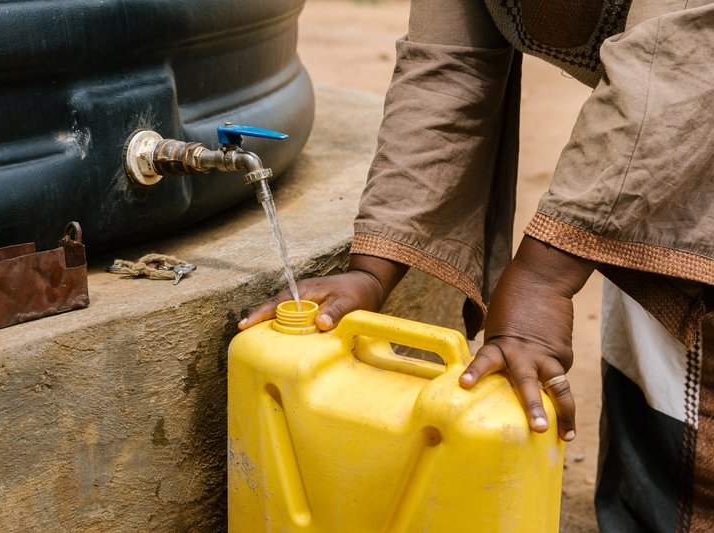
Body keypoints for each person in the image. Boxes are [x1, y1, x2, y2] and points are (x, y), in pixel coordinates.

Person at [240, 1, 714, 530]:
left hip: (683, 108)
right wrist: (373, 267)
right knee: (656, 384)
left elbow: (676, 62)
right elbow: (447, 63)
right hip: (649, 151)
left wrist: (542, 277)